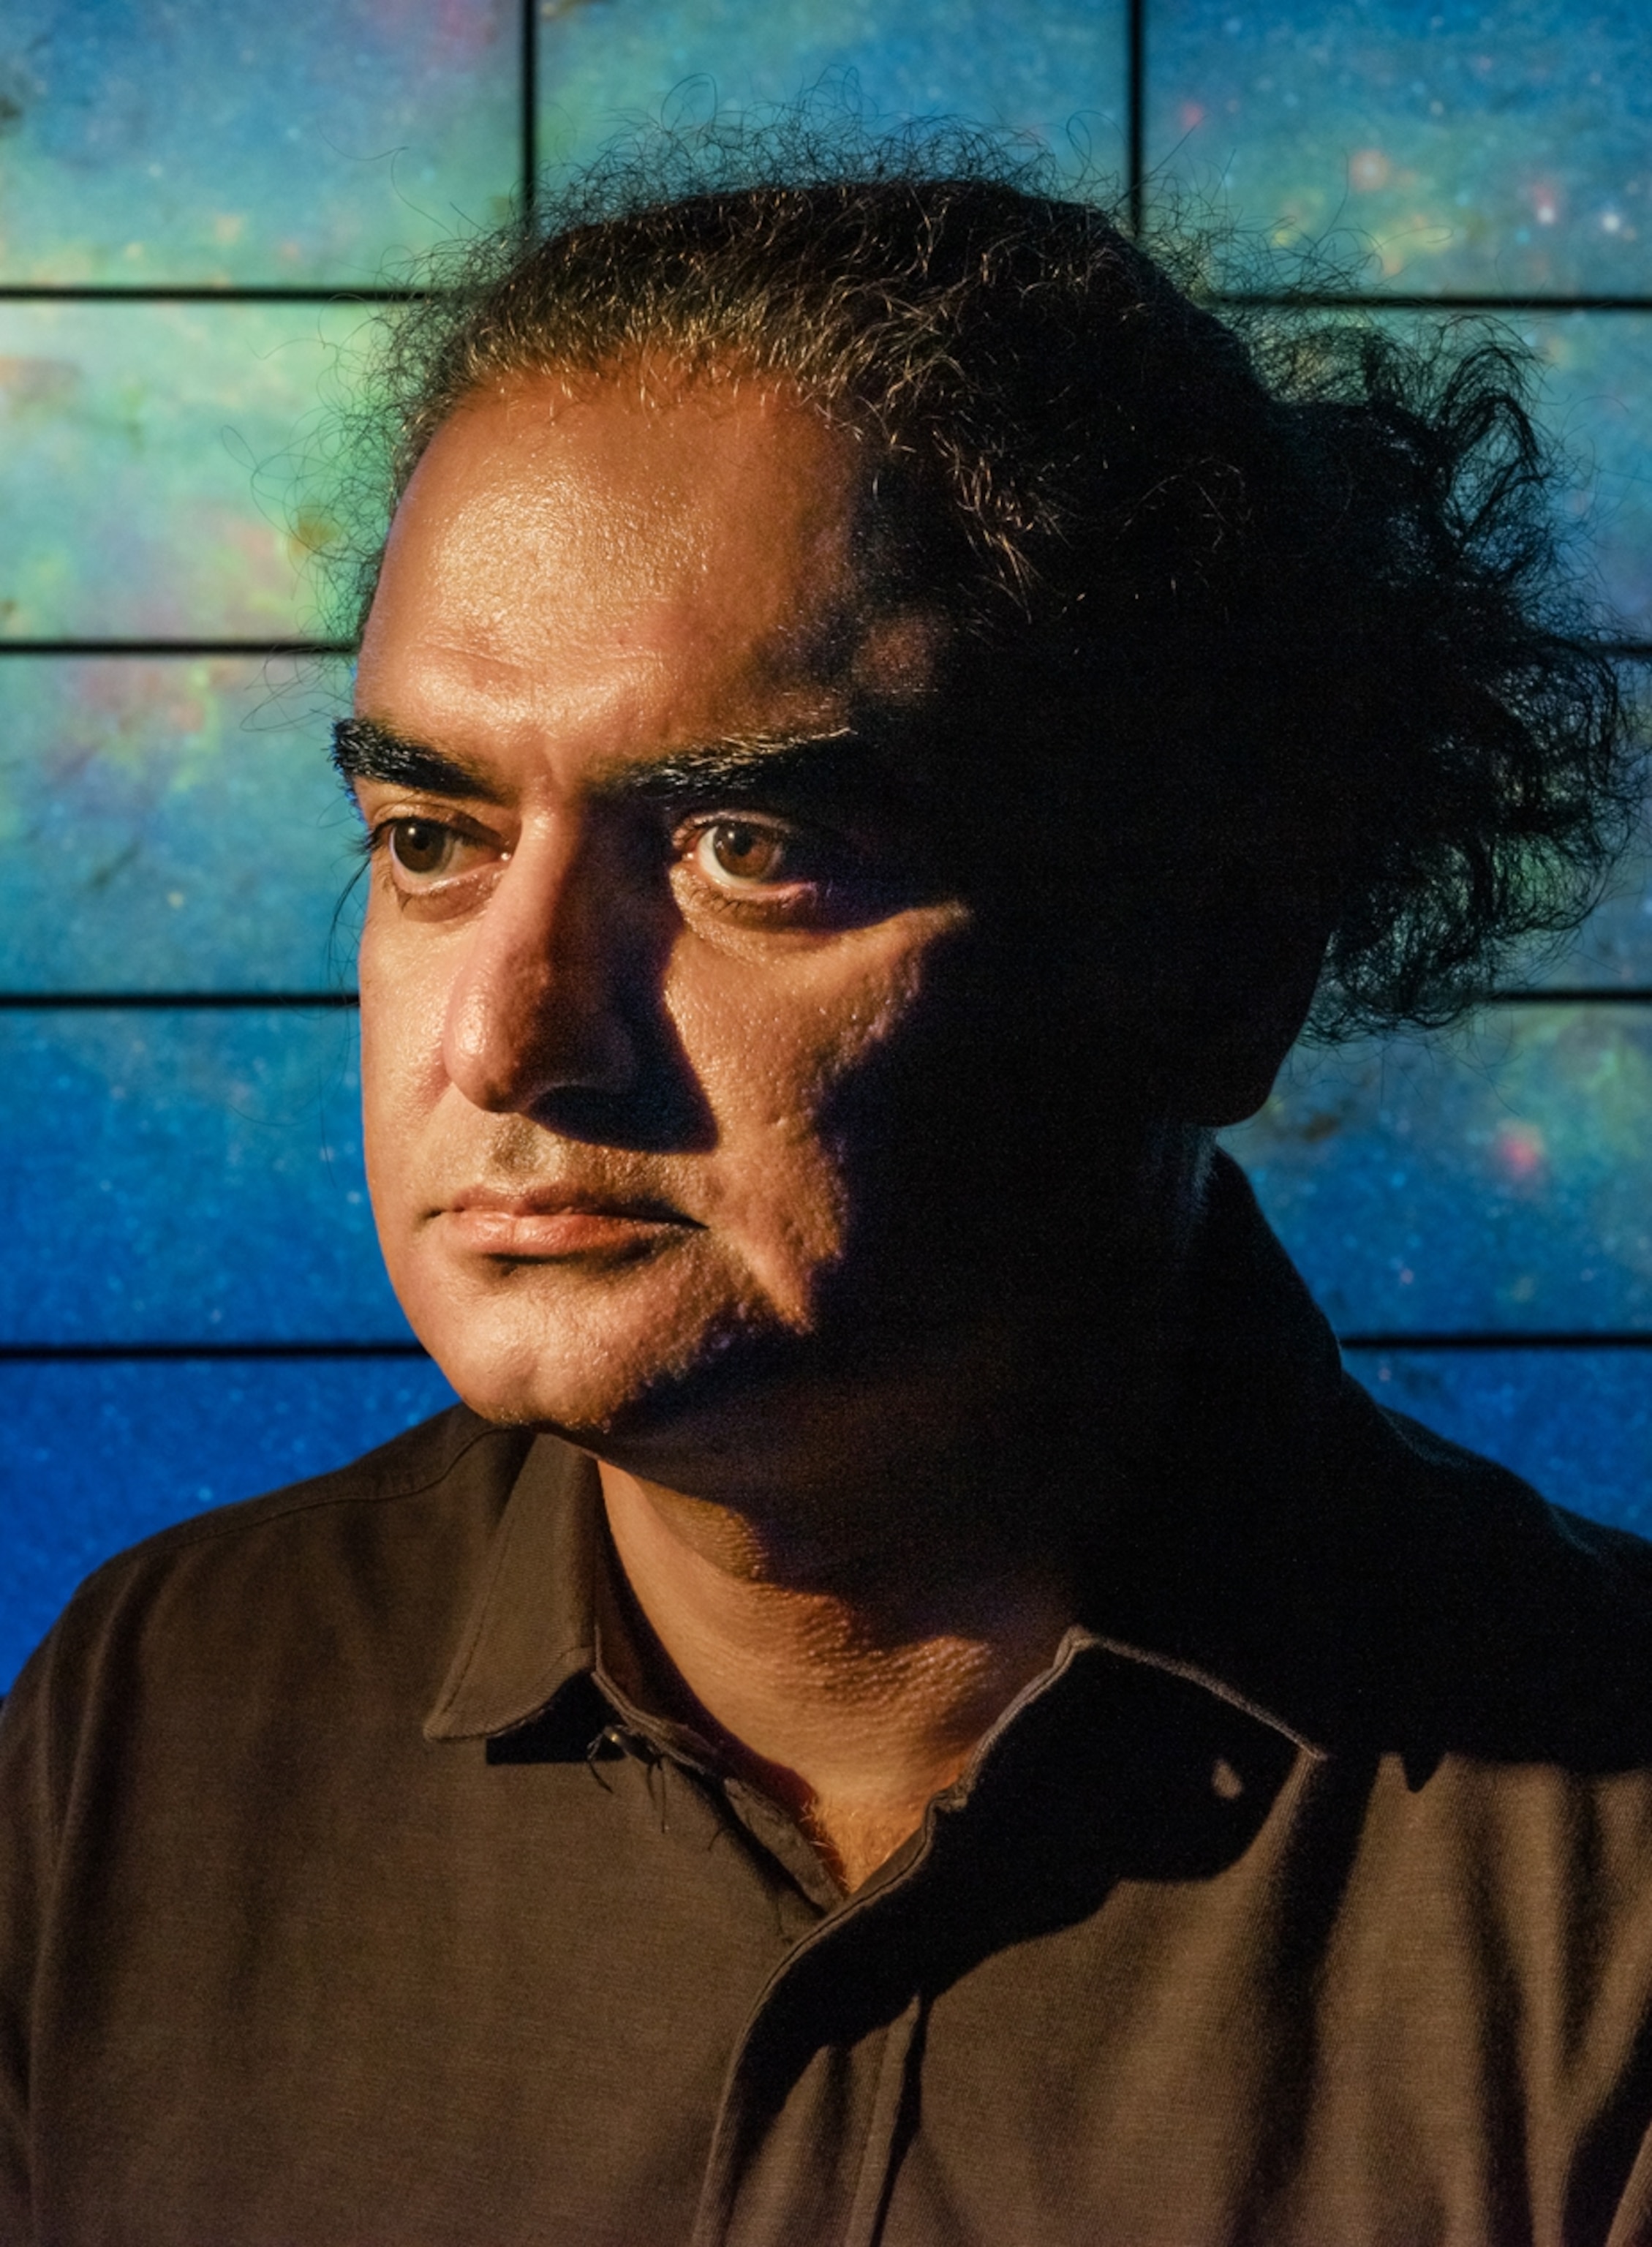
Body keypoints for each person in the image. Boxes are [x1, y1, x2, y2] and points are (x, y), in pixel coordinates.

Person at [2, 131, 1648, 2246]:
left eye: (745, 852)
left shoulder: (1592, 1886)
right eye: (432, 836)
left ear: (1217, 962)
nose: (504, 1040)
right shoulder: (159, 1712)